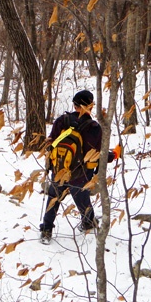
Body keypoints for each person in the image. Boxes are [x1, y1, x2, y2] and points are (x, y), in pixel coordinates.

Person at [39, 89, 121, 242]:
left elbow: (50, 144)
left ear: (75, 104)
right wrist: (115, 154)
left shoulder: (61, 121)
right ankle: (88, 223)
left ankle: (46, 230)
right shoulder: (94, 128)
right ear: (90, 106)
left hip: (59, 170)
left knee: (53, 198)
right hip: (81, 174)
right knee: (83, 200)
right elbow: (98, 155)